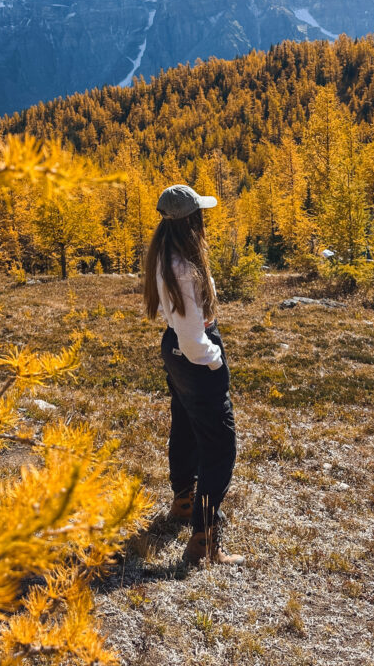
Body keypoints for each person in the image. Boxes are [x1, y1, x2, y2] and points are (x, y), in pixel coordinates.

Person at [144, 184, 244, 566]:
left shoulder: (165, 254)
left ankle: (183, 502)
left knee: (185, 425)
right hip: (194, 356)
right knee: (220, 445)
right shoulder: (184, 267)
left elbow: (180, 329)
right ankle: (204, 539)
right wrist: (215, 358)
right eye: (200, 215)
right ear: (191, 222)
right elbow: (192, 336)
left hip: (173, 351)